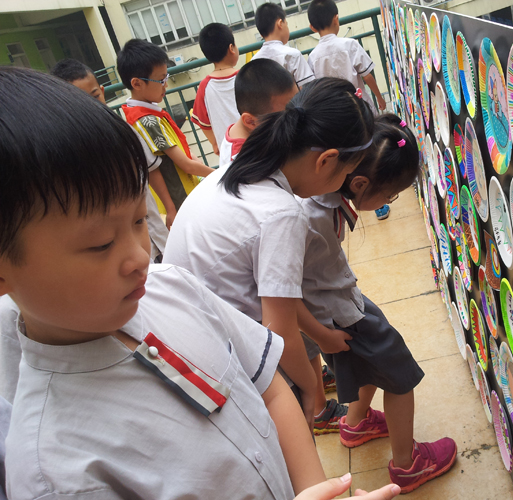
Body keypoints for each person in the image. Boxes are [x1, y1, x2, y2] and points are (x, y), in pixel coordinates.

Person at [0, 66, 330, 499]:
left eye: (139, 220)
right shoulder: (54, 472)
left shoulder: (172, 286)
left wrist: (314, 489)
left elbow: (268, 389)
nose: (141, 256)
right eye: (101, 244)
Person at [163, 78, 375, 431]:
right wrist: (308, 391)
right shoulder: (282, 213)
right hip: (222, 365)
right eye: (348, 173)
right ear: (326, 160)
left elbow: (279, 302)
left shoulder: (236, 169)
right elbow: (279, 330)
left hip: (185, 346)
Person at [299, 114, 457, 494]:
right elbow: (286, 294)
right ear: (359, 183)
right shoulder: (313, 217)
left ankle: (355, 424)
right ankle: (407, 465)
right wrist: (320, 334)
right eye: (389, 195)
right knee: (401, 375)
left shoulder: (321, 194)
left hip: (337, 305)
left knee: (365, 364)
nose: (388, 202)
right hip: (339, 315)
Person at [51, 58, 170, 258]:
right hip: (124, 253)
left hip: (157, 236)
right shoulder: (67, 155)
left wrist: (170, 208)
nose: (91, 106)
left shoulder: (126, 133)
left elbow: (151, 171)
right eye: (80, 101)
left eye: (95, 96)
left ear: (102, 91)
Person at [307, 0, 391, 221]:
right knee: (370, 153)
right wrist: (379, 97)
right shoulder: (350, 45)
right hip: (360, 110)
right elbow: (367, 75)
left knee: (347, 158)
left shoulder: (313, 56)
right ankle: (378, 204)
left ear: (312, 27)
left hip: (334, 117)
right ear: (336, 18)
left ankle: (353, 200)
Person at [118, 39, 214, 228]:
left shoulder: (148, 114)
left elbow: (186, 155)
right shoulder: (147, 121)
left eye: (166, 77)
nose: (166, 85)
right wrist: (219, 174)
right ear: (137, 83)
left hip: (187, 196)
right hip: (182, 202)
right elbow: (186, 165)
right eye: (161, 80)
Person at [218, 58, 298, 168]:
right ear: (250, 121)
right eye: (286, 117)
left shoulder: (255, 129)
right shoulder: (245, 162)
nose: (296, 118)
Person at [191, 23, 241, 154]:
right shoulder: (246, 76)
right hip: (258, 145)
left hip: (229, 153)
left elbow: (202, 121)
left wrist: (215, 142)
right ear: (231, 48)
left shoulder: (204, 86)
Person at [253, 3, 315, 89]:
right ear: (280, 23)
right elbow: (308, 90)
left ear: (261, 34)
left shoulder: (253, 62)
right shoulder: (292, 55)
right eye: (286, 23)